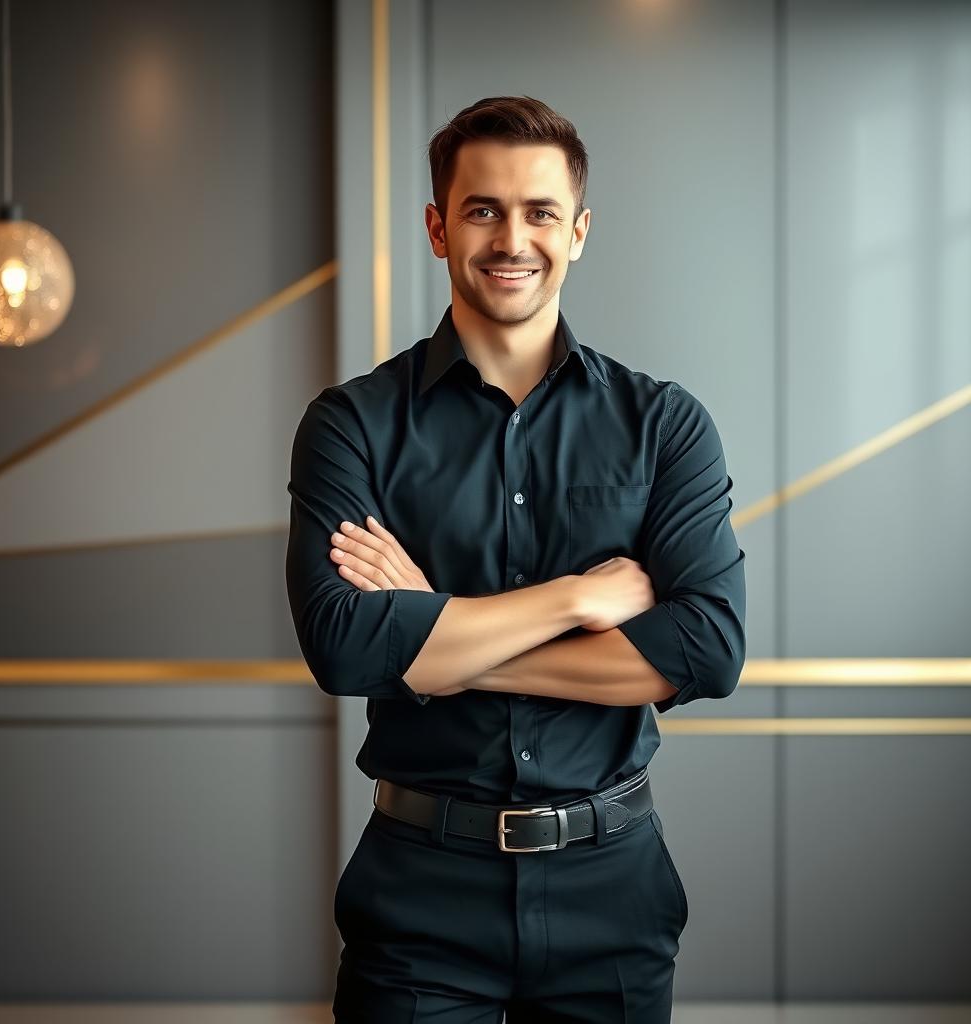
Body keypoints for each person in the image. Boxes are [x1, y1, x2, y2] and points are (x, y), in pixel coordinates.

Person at [285, 94, 747, 1024]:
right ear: (436, 226)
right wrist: (579, 596)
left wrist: (439, 644)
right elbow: (343, 645)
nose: (512, 238)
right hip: (419, 895)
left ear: (578, 232)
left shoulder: (663, 426)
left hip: (611, 892)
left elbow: (705, 650)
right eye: (483, 209)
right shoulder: (354, 426)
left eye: (539, 212)